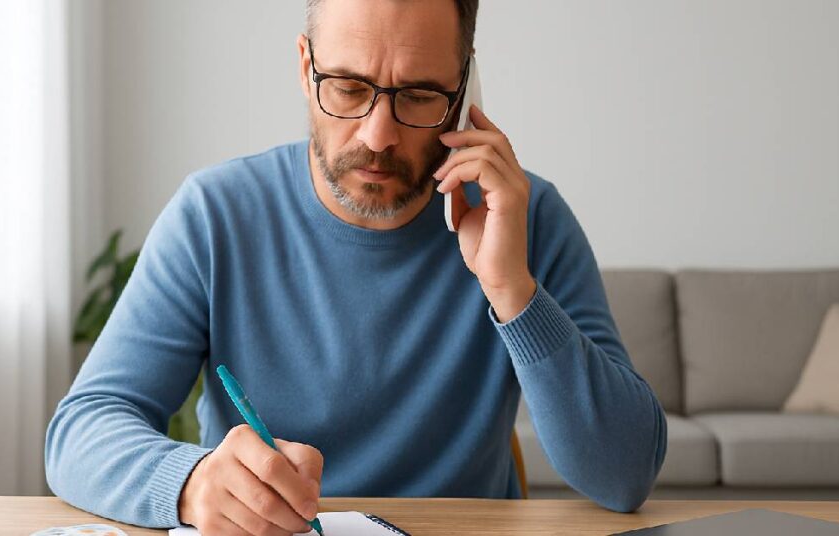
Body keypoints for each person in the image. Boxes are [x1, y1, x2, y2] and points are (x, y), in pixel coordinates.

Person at [45, 0, 667, 533]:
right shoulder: (215, 216)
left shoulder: (527, 218)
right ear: (304, 66)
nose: (377, 135)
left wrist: (512, 290)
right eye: (347, 87)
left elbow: (625, 474)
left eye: (419, 95)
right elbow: (80, 431)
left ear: (466, 90)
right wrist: (190, 481)